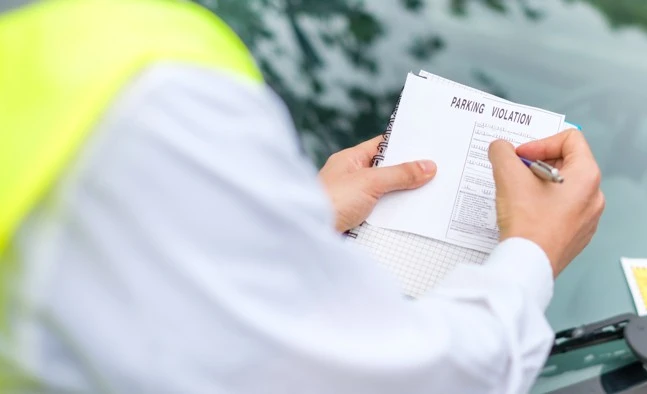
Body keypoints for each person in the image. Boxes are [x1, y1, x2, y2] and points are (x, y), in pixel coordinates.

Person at [0, 0, 604, 393]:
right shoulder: (147, 88)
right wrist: (532, 252)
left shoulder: (51, 46)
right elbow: (395, 380)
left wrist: (297, 218)